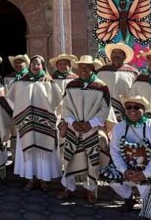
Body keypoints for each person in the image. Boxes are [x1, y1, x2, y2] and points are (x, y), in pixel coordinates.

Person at [57, 55, 116, 202]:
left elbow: (105, 108)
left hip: (93, 128)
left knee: (92, 158)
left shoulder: (102, 87)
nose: (83, 69)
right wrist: (72, 122)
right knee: (69, 156)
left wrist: (91, 123)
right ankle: (69, 186)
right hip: (74, 127)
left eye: (87, 66)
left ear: (92, 68)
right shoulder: (71, 85)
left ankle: (90, 188)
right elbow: (66, 106)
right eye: (81, 66)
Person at [6, 55, 62, 192]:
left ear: (43, 66)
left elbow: (59, 101)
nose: (35, 66)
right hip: (26, 123)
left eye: (38, 64)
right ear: (30, 65)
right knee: (29, 151)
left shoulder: (48, 82)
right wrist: (20, 112)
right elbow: (11, 99)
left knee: (43, 150)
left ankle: (43, 180)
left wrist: (52, 116)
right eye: (33, 64)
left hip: (44, 124)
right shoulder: (21, 82)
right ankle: (30, 179)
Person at [97, 43, 138, 122]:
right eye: (114, 53)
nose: (116, 55)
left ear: (124, 56)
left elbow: (136, 93)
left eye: (119, 53)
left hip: (126, 112)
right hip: (104, 112)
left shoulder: (133, 73)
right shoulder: (101, 72)